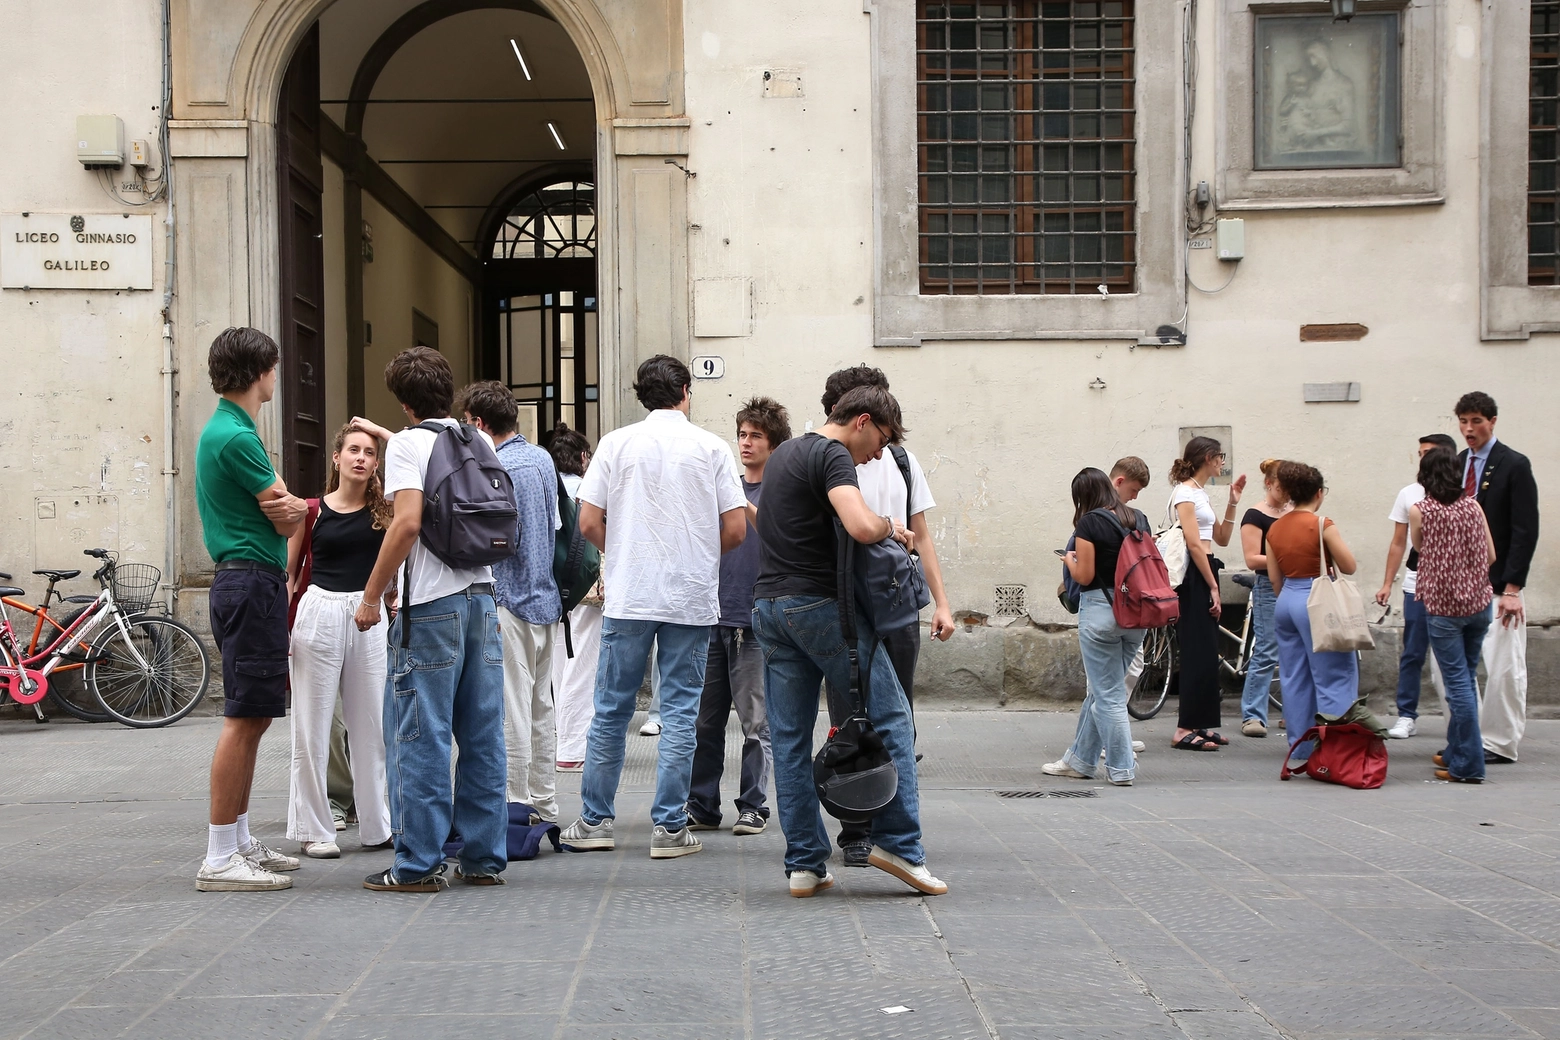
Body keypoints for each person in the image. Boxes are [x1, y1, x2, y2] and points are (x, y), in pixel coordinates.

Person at [753, 384, 947, 898]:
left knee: (790, 739)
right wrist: (891, 526)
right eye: (880, 439)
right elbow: (861, 526)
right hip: (819, 608)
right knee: (894, 720)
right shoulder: (832, 453)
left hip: (769, 609)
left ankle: (805, 863)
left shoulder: (786, 452)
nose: (880, 453)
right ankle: (900, 845)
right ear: (861, 420)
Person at [559, 355, 748, 860]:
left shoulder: (615, 445)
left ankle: (595, 819)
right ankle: (669, 827)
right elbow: (736, 529)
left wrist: (621, 552)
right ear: (686, 390)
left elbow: (589, 522)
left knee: (611, 708)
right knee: (682, 710)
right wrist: (700, 555)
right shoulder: (711, 447)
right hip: (689, 596)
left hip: (630, 593)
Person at [353, 346, 509, 892]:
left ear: (402, 401)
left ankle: (417, 864)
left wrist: (372, 595)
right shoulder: (476, 439)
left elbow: (407, 523)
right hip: (483, 602)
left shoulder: (407, 448)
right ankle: (485, 857)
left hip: (431, 608)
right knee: (484, 734)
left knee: (422, 736)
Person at [816, 366, 955, 867]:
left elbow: (923, 534)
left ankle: (895, 822)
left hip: (896, 605)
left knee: (899, 715)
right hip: (847, 606)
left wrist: (941, 602)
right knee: (849, 717)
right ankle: (856, 826)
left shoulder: (900, 458)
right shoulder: (826, 459)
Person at [194, 327, 308, 892]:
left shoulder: (233, 428)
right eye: (273, 366)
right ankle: (219, 856)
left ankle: (237, 839)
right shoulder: (235, 437)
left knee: (256, 714)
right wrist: (284, 509)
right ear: (259, 370)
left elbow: (288, 507)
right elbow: (289, 516)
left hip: (249, 581)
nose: (276, 376)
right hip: (250, 580)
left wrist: (285, 507)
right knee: (243, 718)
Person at [285, 421, 396, 859]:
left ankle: (376, 826)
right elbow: (291, 574)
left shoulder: (385, 512)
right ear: (337, 458)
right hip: (319, 610)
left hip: (367, 615)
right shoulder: (311, 510)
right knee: (311, 725)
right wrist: (283, 627)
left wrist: (376, 429)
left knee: (372, 726)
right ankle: (315, 829)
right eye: (353, 449)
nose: (361, 458)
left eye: (369, 452)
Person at [460, 381, 563, 821]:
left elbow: (504, 539)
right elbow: (556, 526)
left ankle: (517, 803)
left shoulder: (498, 468)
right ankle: (544, 799)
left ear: (479, 423)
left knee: (513, 709)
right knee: (543, 707)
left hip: (511, 599)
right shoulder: (541, 457)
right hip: (546, 597)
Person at [686, 397, 788, 836]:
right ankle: (702, 805)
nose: (745, 444)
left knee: (755, 722)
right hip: (712, 614)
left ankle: (754, 805)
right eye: (742, 435)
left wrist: (737, 500)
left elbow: (776, 533)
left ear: (773, 443)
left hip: (754, 620)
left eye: (755, 436)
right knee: (704, 721)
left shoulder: (779, 491)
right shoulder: (721, 486)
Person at [1043, 468, 1150, 786]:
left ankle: (1121, 767)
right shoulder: (1137, 517)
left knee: (1108, 695)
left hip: (1102, 613)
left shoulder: (1090, 522)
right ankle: (1080, 760)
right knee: (1104, 690)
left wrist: (1069, 561)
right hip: (1136, 614)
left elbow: (1085, 576)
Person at [1453, 392, 1539, 765]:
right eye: (1463, 422)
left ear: (1492, 421)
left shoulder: (1513, 464)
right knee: (1452, 671)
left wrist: (1512, 589)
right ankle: (1468, 736)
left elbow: (1525, 529)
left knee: (1503, 666)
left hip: (1498, 585)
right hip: (1460, 586)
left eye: (1476, 421)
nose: (1469, 429)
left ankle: (1500, 741)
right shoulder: (1456, 464)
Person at [1410, 448, 1497, 784]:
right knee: (1467, 680)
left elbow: (1419, 550)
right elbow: (1490, 555)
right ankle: (1456, 750)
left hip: (1444, 609)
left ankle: (1469, 765)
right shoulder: (1473, 506)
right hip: (1478, 605)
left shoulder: (1422, 511)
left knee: (1457, 686)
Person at [1266, 462, 1359, 769]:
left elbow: (1275, 578)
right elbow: (1349, 565)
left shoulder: (1275, 527)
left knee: (1295, 678)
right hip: (1316, 599)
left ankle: (1301, 750)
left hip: (1287, 600)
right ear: (1318, 493)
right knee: (1334, 675)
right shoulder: (1321, 524)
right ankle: (1336, 752)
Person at [1374, 433, 1459, 739]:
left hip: (1453, 588)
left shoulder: (1464, 495)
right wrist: (1387, 583)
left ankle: (1459, 716)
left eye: (1430, 453)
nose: (1423, 458)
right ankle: (1406, 714)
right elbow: (1399, 542)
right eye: (1420, 452)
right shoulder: (1409, 494)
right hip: (1417, 584)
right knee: (1413, 651)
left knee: (1456, 655)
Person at [1168, 437, 1246, 752]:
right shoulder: (1184, 492)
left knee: (1206, 649)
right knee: (1196, 648)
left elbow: (1222, 538)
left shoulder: (1200, 493)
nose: (1223, 463)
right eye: (1220, 457)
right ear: (1209, 458)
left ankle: (1200, 723)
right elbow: (1192, 541)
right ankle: (1183, 728)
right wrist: (1212, 585)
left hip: (1207, 566)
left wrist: (1233, 501)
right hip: (1194, 574)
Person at [545, 423, 599, 771]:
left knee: (557, 665)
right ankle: (572, 747)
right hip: (587, 589)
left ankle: (558, 738)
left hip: (550, 587)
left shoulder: (547, 491)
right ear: (582, 457)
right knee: (583, 665)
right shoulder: (591, 492)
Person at [1237, 459, 1291, 738]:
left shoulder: (1295, 512)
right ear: (1269, 484)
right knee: (1267, 649)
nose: (1287, 493)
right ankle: (1253, 715)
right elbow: (1251, 558)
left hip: (1296, 584)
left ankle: (1294, 713)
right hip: (1269, 586)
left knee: (1297, 652)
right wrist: (1285, 559)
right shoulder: (1255, 515)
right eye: (1283, 486)